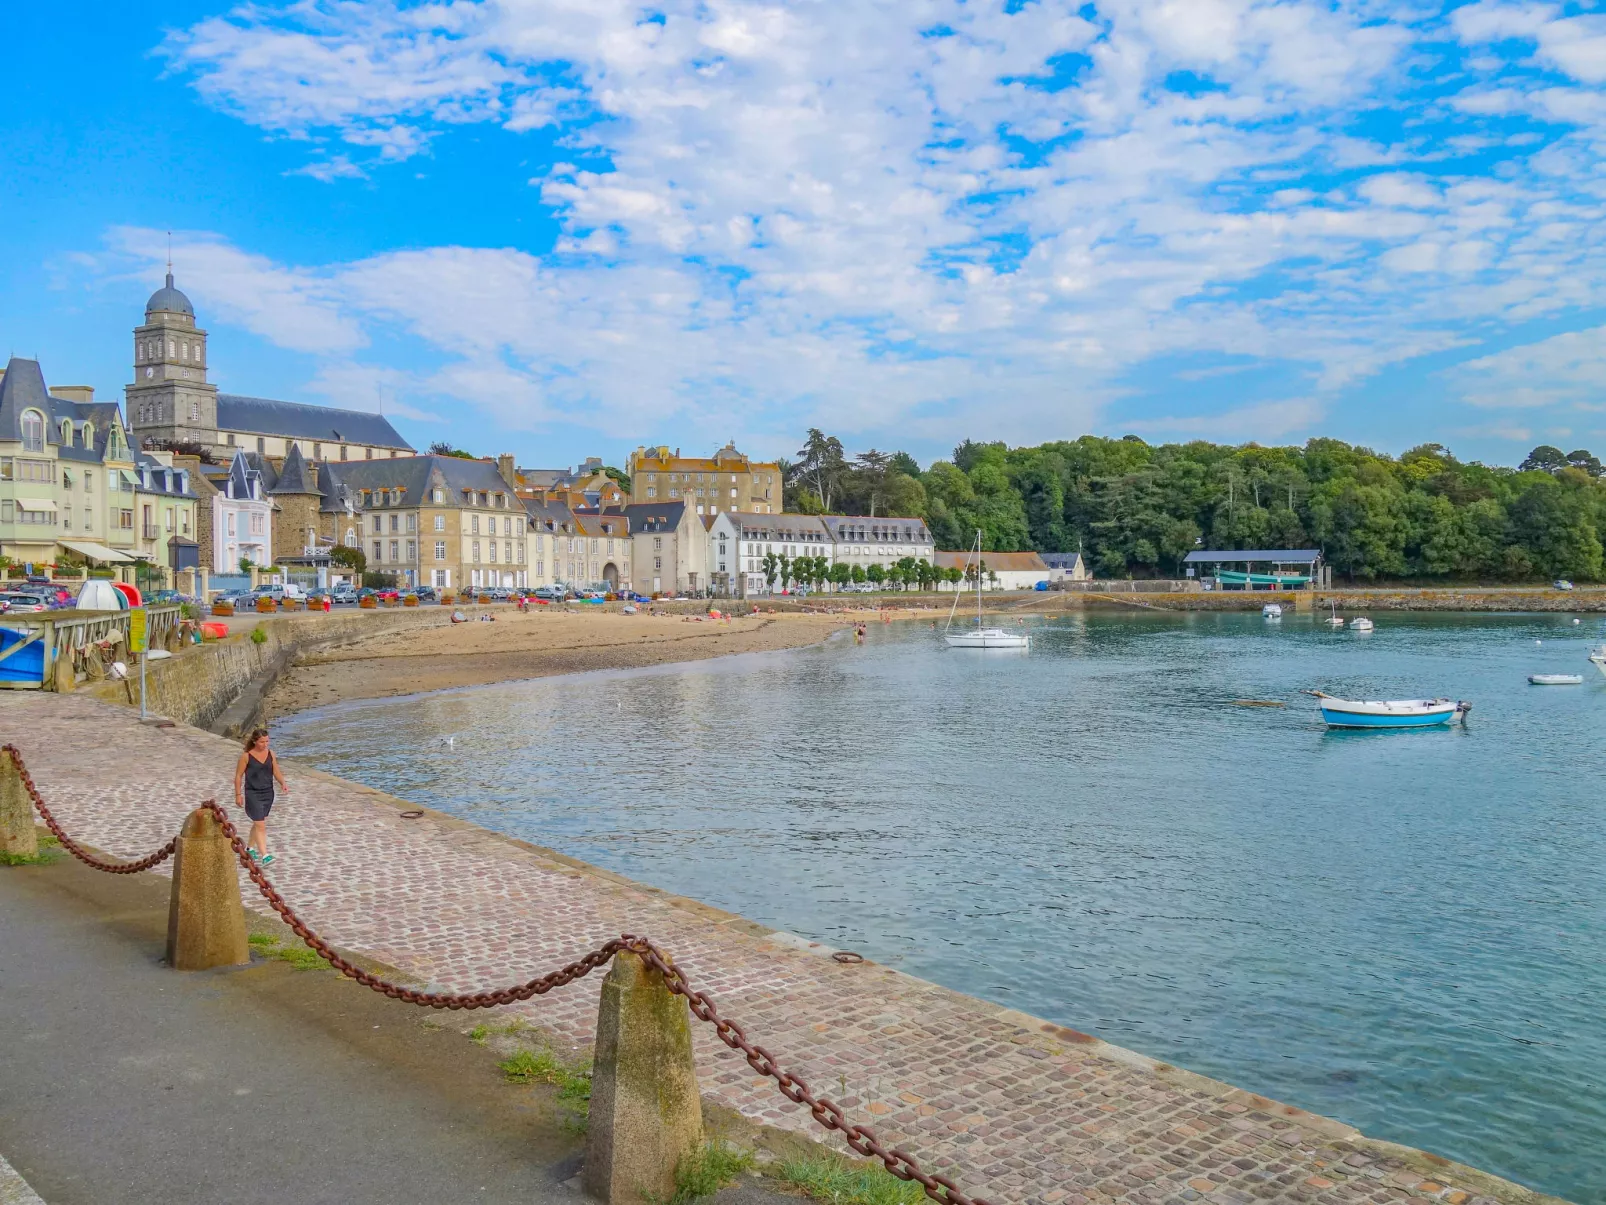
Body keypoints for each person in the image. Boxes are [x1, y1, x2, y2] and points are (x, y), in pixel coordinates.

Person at [234, 728, 287, 866]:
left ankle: (249, 848)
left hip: (268, 793)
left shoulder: (271, 754)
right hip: (253, 793)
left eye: (267, 741)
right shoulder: (246, 756)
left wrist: (282, 783)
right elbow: (238, 776)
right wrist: (238, 794)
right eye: (262, 742)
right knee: (260, 825)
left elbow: (276, 771)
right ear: (255, 741)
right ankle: (265, 855)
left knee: (259, 822)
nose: (265, 744)